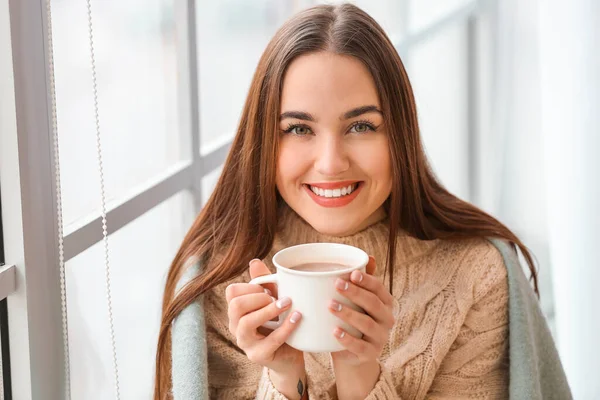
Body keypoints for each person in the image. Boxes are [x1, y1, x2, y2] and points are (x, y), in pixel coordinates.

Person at [154, 4, 569, 400]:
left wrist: (360, 374)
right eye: (299, 129)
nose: (331, 163)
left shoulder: (474, 276)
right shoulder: (221, 285)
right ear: (265, 142)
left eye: (360, 126)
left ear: (400, 136)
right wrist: (282, 379)